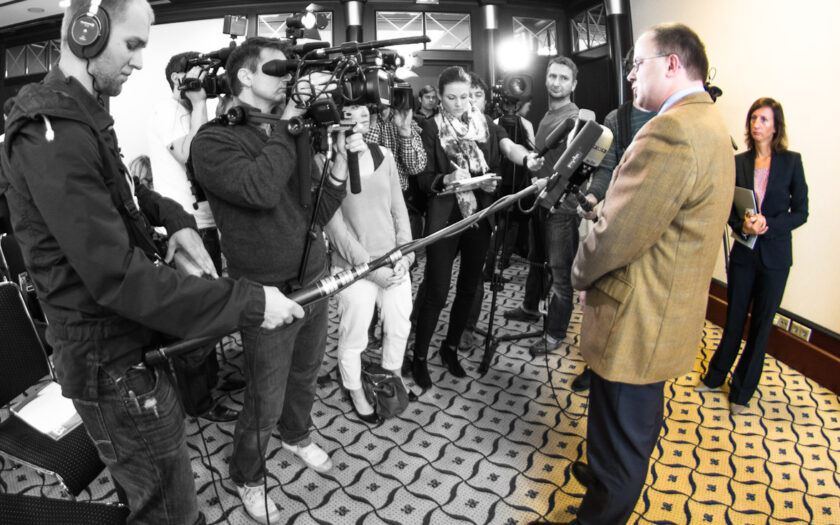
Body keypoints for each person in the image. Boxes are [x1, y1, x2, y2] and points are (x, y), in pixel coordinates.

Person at [0, 1, 302, 523]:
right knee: (167, 511)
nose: (141, 62)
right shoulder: (51, 130)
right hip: (112, 368)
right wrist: (248, 302)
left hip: (131, 351)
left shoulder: (80, 113)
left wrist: (176, 216)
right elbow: (119, 279)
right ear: (86, 32)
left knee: (164, 493)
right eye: (133, 45)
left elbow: (125, 190)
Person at [543, 23, 735, 525]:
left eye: (636, 64)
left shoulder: (671, 130)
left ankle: (602, 510)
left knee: (626, 434)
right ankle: (604, 476)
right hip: (663, 307)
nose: (629, 75)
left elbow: (619, 237)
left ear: (672, 63)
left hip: (640, 316)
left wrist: (580, 274)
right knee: (622, 424)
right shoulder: (709, 121)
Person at [189, 36, 366, 524]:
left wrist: (333, 172)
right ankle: (246, 475)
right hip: (265, 294)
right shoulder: (213, 140)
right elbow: (260, 190)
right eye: (276, 69)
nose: (288, 76)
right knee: (263, 398)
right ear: (245, 76)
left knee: (306, 374)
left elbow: (312, 212)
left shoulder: (292, 132)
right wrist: (292, 129)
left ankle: (298, 434)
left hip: (313, 276)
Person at [411, 66, 542, 389]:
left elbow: (509, 147)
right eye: (452, 98)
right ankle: (418, 356)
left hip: (479, 218)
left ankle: (450, 347)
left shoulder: (485, 125)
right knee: (437, 292)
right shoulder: (430, 127)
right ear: (440, 98)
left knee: (469, 289)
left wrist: (527, 160)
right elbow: (423, 179)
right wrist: (447, 179)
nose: (459, 103)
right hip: (445, 219)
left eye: (465, 96)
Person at [697, 97, 808, 415]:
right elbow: (728, 209)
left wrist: (768, 223)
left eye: (763, 120)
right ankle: (716, 376)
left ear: (776, 127)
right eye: (753, 118)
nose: (756, 124)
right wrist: (742, 224)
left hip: (775, 259)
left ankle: (742, 392)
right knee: (733, 320)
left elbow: (801, 213)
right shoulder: (739, 161)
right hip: (744, 254)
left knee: (760, 327)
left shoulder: (791, 162)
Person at [148, 50, 240, 423]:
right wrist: (201, 103)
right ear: (177, 81)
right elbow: (193, 155)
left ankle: (213, 379)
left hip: (205, 222)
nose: (203, 85)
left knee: (211, 306)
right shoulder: (165, 112)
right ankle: (198, 402)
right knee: (194, 317)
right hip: (183, 230)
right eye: (197, 78)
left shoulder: (190, 110)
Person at [325, 104, 414, 423]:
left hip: (392, 260)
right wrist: (371, 269)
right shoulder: (326, 163)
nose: (359, 125)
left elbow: (398, 207)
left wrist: (406, 252)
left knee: (399, 323)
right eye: (350, 117)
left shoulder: (384, 155)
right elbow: (335, 229)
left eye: (365, 117)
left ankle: (392, 374)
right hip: (354, 268)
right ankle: (355, 389)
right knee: (355, 334)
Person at [568, 96, 656, 394]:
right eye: (632, 69)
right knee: (606, 295)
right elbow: (605, 167)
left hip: (655, 222)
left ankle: (634, 368)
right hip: (618, 217)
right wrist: (593, 197)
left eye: (640, 66)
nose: (634, 75)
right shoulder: (616, 118)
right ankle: (597, 365)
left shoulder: (673, 115)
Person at [503, 57, 581, 346]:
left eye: (563, 78)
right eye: (552, 76)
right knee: (536, 261)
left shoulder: (575, 119)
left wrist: (551, 188)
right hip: (540, 201)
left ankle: (555, 333)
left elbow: (575, 165)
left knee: (560, 274)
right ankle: (530, 308)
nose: (556, 82)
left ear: (573, 84)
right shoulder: (548, 116)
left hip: (561, 207)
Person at [364, 101, 427, 241]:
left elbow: (416, 167)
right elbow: (363, 162)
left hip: (398, 201)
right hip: (365, 201)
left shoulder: (401, 118)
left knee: (403, 253)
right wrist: (372, 122)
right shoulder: (359, 117)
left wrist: (404, 130)